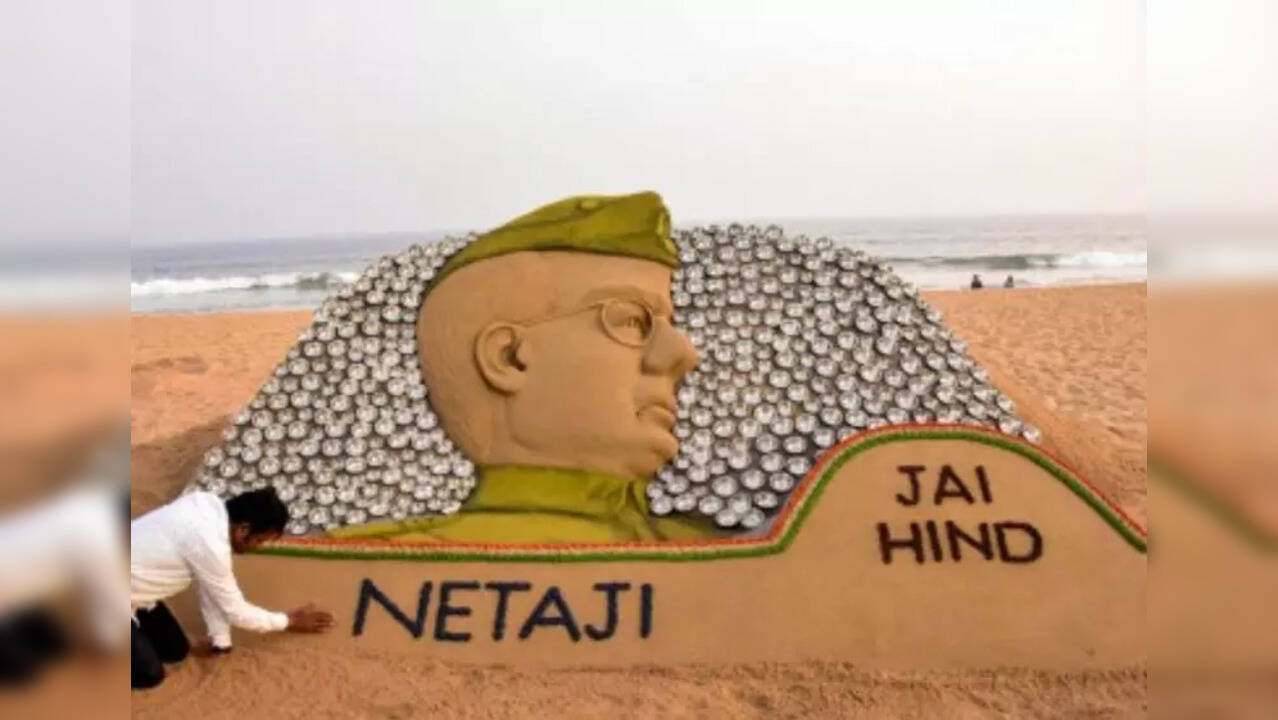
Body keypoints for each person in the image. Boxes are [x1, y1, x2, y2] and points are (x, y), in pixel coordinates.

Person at [329, 192, 722, 544]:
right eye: (633, 321)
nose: (683, 353)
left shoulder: (714, 553)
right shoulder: (371, 560)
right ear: (509, 358)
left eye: (670, 325)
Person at [130, 488, 333, 689]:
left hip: (133, 589)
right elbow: (236, 612)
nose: (258, 547)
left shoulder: (204, 503)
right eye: (259, 540)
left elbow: (210, 586)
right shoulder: (210, 545)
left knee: (176, 651)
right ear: (243, 530)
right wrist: (289, 621)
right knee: (150, 675)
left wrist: (220, 640)